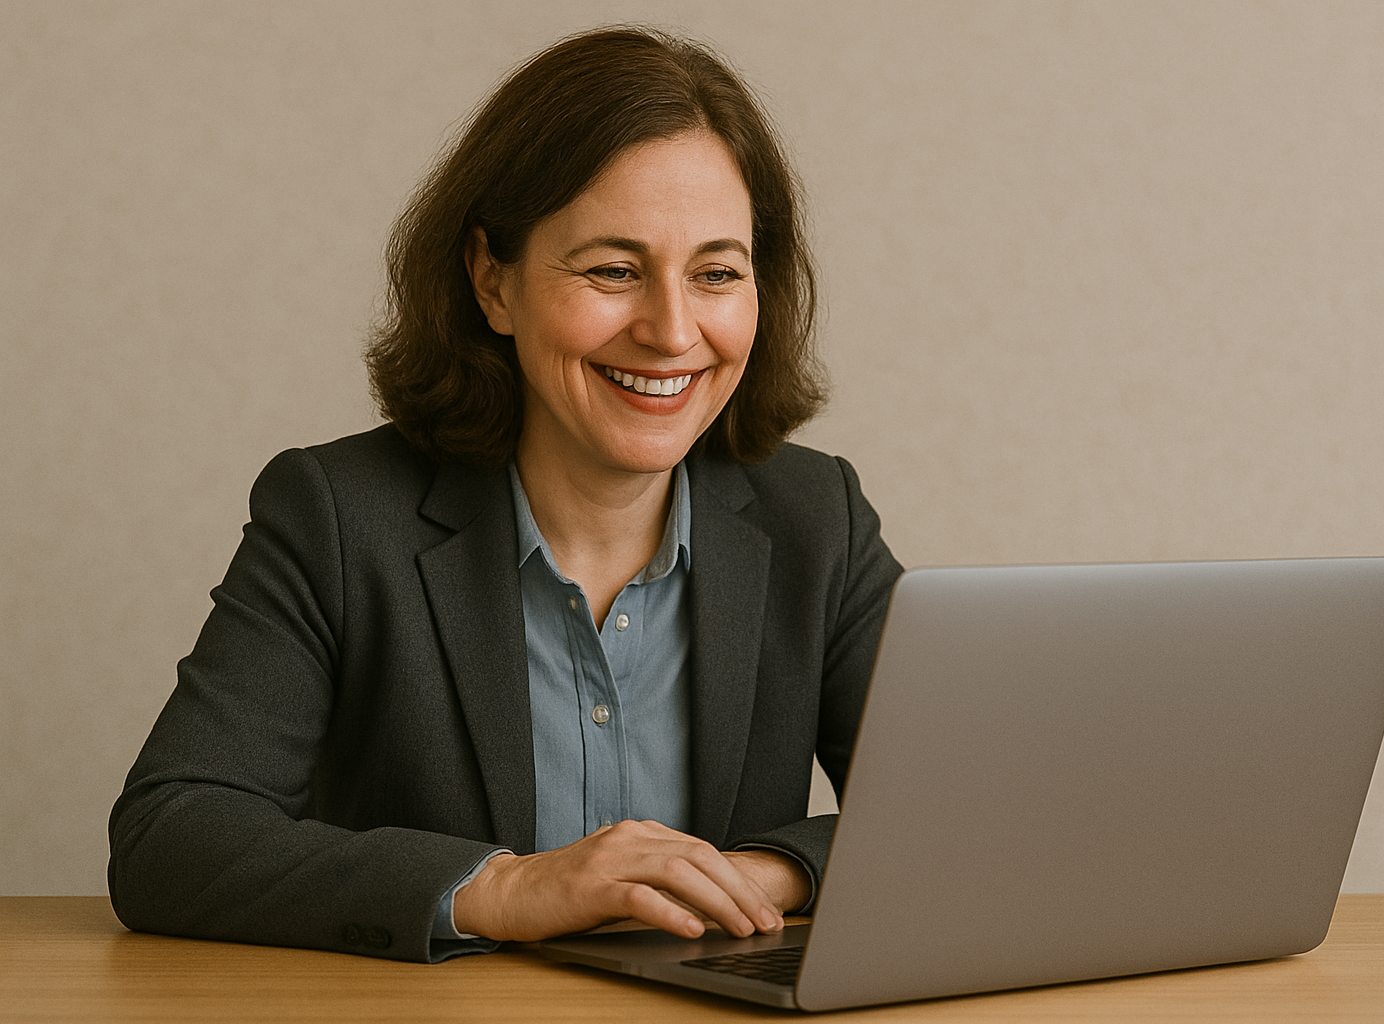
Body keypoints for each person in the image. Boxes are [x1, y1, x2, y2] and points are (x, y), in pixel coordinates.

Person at [108, 26, 902, 963]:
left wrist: (766, 872)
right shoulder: (334, 514)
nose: (672, 328)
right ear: (493, 280)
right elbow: (171, 834)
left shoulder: (819, 520)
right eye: (613, 270)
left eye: (717, 274)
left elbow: (969, 808)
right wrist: (507, 888)